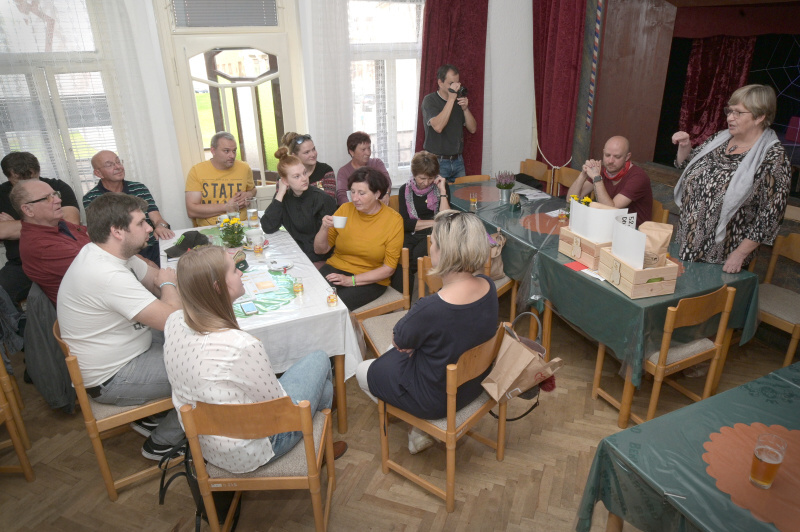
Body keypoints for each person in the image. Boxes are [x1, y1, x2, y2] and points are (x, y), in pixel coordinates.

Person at [163, 246, 347, 474]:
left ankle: (321, 438)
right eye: (234, 270)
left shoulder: (173, 321)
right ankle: (319, 450)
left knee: (323, 389)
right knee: (320, 359)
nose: (241, 272)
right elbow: (281, 409)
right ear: (218, 287)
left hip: (206, 445)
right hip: (254, 449)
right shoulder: (240, 345)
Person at [356, 210, 498, 454]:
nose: (429, 247)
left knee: (363, 370)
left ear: (443, 252)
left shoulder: (432, 308)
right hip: (475, 385)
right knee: (402, 353)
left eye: (433, 243)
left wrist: (412, 343)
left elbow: (399, 340)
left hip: (437, 401)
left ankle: (420, 428)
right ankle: (418, 431)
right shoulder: (488, 285)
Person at [57, 193, 183, 460]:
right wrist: (169, 284)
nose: (149, 228)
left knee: (198, 341)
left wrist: (166, 284)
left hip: (129, 347)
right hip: (114, 377)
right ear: (117, 231)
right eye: (141, 223)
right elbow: (171, 315)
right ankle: (162, 443)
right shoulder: (106, 274)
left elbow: (154, 279)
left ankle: (153, 416)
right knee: (206, 370)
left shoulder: (109, 253)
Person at [672, 84, 790, 273]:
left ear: (759, 117)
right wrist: (685, 147)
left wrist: (740, 254)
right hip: (687, 239)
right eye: (729, 111)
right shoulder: (719, 139)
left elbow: (770, 216)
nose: (730, 117)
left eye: (738, 113)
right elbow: (687, 166)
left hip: (723, 255)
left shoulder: (773, 157)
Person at [314, 167, 403, 309]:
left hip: (371, 278)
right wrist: (324, 228)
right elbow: (320, 250)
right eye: (353, 192)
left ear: (377, 194)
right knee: (312, 297)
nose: (355, 198)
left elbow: (388, 269)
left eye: (362, 193)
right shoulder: (345, 209)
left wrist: (350, 280)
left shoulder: (393, 220)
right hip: (336, 267)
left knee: (333, 304)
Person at [0, 152, 80, 304]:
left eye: (32, 178)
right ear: (8, 177)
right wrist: (48, 221)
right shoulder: (1, 194)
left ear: (38, 171)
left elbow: (71, 222)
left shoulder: (57, 187)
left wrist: (14, 224)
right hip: (19, 264)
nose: (26, 184)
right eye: (19, 181)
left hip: (61, 255)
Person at [85, 150, 174, 265]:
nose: (118, 167)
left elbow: (157, 219)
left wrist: (161, 226)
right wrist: (141, 261)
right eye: (110, 165)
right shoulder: (92, 198)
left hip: (152, 245)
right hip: (125, 254)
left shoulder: (139, 188)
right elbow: (105, 239)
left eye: (118, 162)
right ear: (98, 173)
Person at [12, 179, 91, 305]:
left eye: (55, 194)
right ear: (28, 210)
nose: (58, 200)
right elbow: (99, 268)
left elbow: (98, 238)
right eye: (47, 198)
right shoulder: (41, 246)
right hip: (90, 307)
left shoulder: (58, 224)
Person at [261, 147, 337, 266]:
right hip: (294, 254)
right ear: (285, 181)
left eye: (304, 173)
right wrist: (280, 193)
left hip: (317, 258)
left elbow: (325, 244)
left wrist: (297, 258)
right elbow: (268, 227)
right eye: (297, 176)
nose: (304, 179)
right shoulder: (283, 197)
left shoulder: (322, 199)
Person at [392, 151, 450, 290]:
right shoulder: (404, 190)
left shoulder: (440, 187)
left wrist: (443, 191)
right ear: (414, 174)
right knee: (401, 254)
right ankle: (405, 294)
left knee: (416, 257)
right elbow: (406, 223)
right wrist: (435, 222)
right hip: (412, 233)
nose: (426, 182)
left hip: (433, 234)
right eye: (422, 178)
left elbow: (446, 218)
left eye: (431, 178)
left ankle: (411, 294)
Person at [567, 136, 653, 227]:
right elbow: (570, 200)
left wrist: (597, 179)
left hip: (633, 231)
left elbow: (610, 210)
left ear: (627, 157)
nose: (610, 161)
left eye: (617, 157)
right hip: (608, 225)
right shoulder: (602, 170)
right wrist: (583, 174)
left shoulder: (638, 177)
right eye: (607, 155)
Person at [185, 131, 256, 226]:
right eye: (226, 151)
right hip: (209, 229)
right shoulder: (197, 171)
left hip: (241, 225)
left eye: (234, 151)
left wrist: (249, 194)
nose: (232, 155)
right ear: (213, 151)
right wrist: (227, 207)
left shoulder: (244, 168)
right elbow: (191, 211)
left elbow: (253, 189)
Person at [421, 64, 478, 182]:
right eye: (451, 83)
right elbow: (438, 127)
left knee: (461, 194)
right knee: (438, 194)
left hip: (458, 161)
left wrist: (465, 109)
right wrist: (451, 99)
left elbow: (473, 129)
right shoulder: (430, 100)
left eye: (457, 83)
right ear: (440, 83)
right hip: (436, 161)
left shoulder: (458, 101)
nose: (456, 87)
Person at [335, 131, 391, 206]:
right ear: (352, 152)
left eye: (369, 148)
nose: (368, 153)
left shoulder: (377, 163)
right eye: (363, 149)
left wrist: (386, 193)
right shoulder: (344, 171)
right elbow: (342, 196)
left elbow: (387, 182)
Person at [280, 132, 336, 197]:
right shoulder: (285, 173)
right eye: (306, 152)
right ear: (294, 155)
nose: (313, 154)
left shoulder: (326, 170)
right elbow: (281, 200)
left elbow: (329, 200)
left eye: (313, 149)